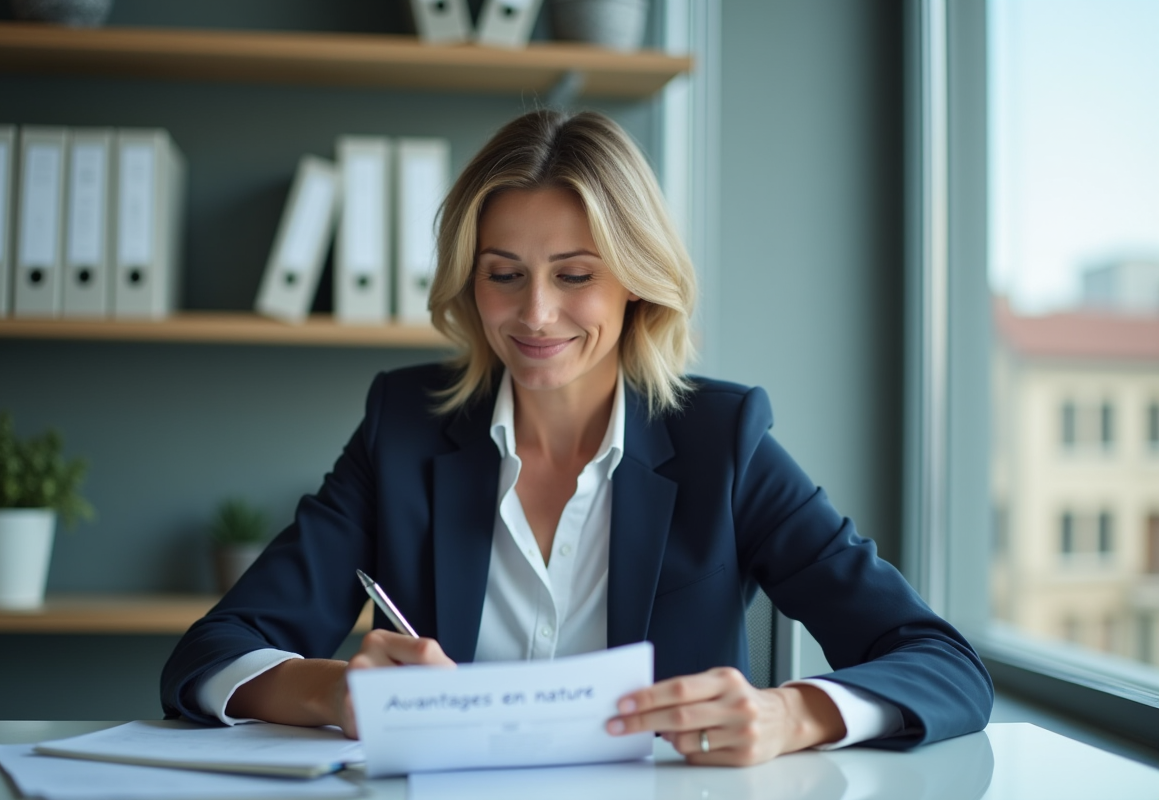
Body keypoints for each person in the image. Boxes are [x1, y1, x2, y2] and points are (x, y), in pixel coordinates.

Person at [161, 109, 992, 766]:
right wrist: (337, 691)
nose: (534, 314)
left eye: (575, 274)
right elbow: (212, 655)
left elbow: (942, 663)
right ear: (470, 281)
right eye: (504, 274)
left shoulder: (722, 441)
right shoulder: (403, 428)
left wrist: (788, 713)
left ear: (635, 281)